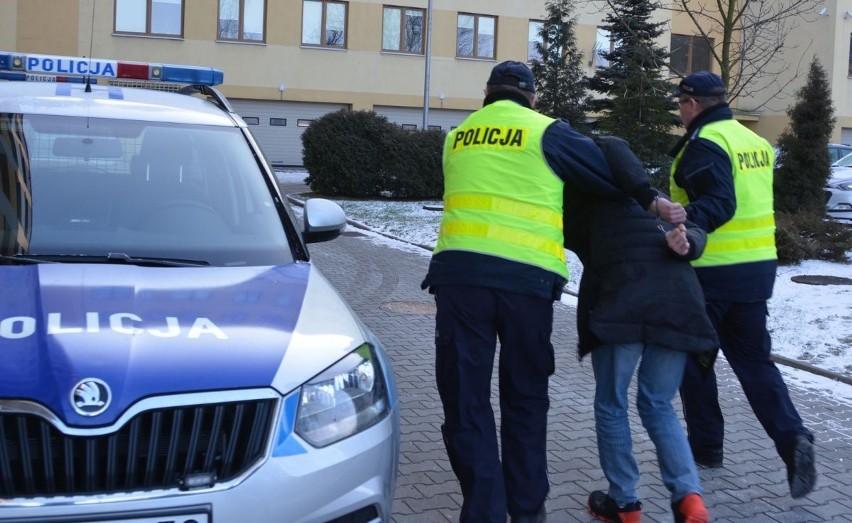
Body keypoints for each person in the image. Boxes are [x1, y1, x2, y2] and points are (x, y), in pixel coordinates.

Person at [420, 60, 626, 523]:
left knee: (465, 402)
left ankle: (484, 511)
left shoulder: (457, 136)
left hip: (460, 280)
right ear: (532, 98)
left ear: (487, 93)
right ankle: (527, 511)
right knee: (525, 399)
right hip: (526, 286)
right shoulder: (547, 132)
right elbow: (606, 176)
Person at [670, 71, 817, 498]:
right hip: (756, 270)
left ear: (693, 104)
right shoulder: (754, 142)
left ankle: (707, 449)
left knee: (695, 365)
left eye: (680, 105)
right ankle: (792, 439)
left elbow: (717, 204)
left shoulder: (705, 145)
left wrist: (678, 226)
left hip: (709, 274)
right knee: (755, 364)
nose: (680, 113)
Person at [564, 136, 716, 523]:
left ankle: (625, 504)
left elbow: (576, 242)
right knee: (658, 403)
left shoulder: (582, 199)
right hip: (677, 306)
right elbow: (692, 229)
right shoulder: (655, 199)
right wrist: (688, 243)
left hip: (622, 305)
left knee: (612, 404)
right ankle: (689, 498)